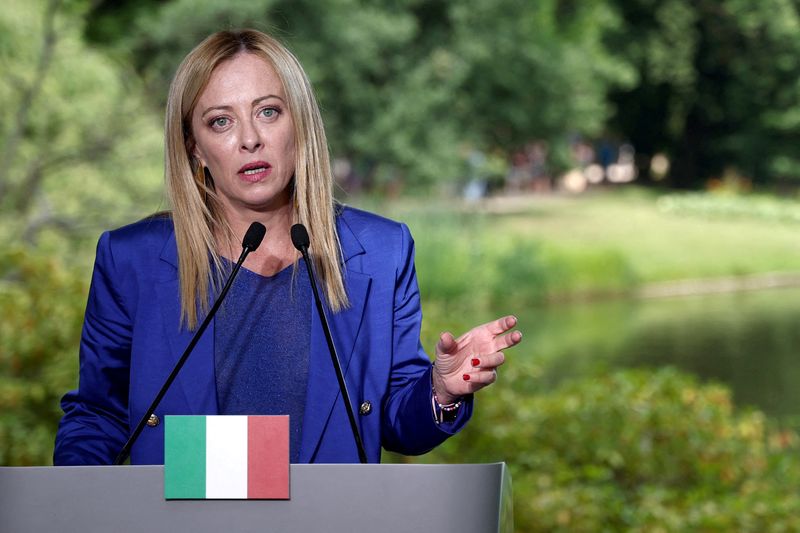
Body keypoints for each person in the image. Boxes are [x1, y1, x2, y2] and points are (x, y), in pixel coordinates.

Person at [54, 29, 522, 465]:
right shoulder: (130, 259)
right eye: (220, 122)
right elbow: (99, 416)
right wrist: (80, 505)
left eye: (268, 112)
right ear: (193, 147)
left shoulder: (382, 251)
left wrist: (440, 392)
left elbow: (397, 421)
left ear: (299, 123)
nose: (250, 139)